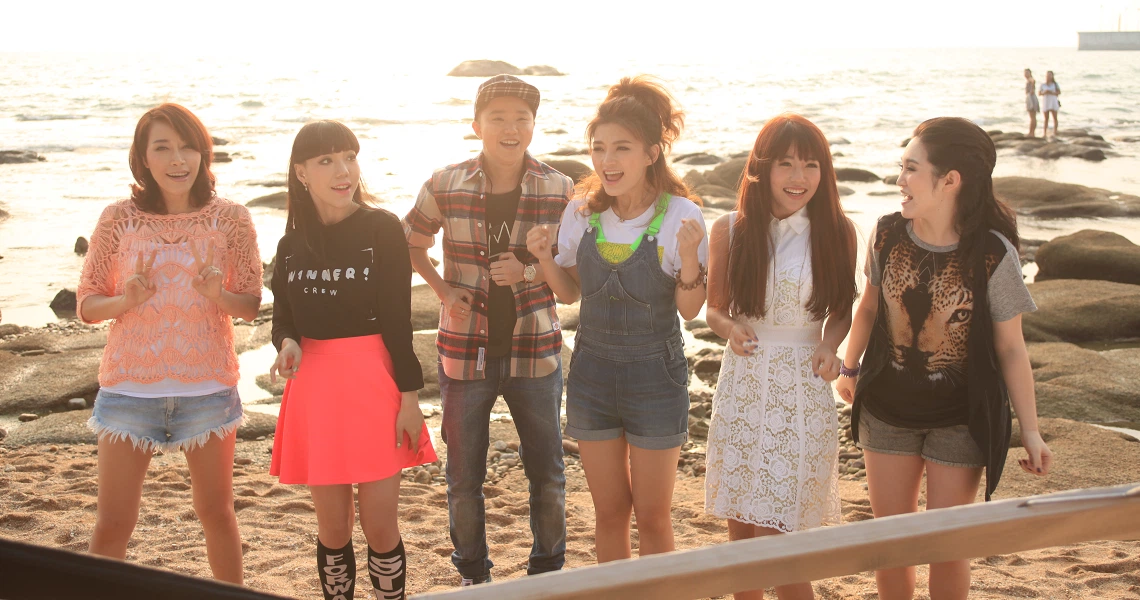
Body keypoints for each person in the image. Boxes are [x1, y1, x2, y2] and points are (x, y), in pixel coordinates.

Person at [835, 117, 1054, 600]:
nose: (900, 179)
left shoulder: (992, 253)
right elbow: (868, 306)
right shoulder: (888, 233)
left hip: (961, 418)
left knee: (946, 547)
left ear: (950, 180)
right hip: (886, 412)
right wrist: (849, 367)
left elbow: (1011, 348)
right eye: (901, 167)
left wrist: (1031, 431)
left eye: (912, 168)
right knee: (889, 544)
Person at [78, 103, 262, 584]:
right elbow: (87, 303)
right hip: (127, 392)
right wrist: (125, 300)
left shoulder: (232, 219)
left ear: (204, 154)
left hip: (207, 390)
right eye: (162, 147)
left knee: (218, 515)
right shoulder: (118, 218)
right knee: (113, 523)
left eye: (187, 147)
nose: (177, 159)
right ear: (142, 157)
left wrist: (217, 294)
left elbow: (250, 306)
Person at [529, 76, 708, 563]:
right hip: (591, 375)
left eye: (622, 149)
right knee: (609, 513)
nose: (607, 161)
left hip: (656, 376)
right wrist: (545, 258)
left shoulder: (681, 215)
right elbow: (570, 293)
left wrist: (690, 259)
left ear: (652, 152)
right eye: (599, 148)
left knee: (652, 516)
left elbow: (691, 310)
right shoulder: (581, 213)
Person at [403, 74, 572, 586]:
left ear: (534, 126)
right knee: (462, 477)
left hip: (536, 350)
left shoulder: (558, 188)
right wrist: (442, 289)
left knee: (547, 475)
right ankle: (473, 576)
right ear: (476, 125)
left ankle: (546, 571)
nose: (511, 128)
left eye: (522, 118)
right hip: (463, 350)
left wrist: (527, 272)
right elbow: (411, 241)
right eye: (498, 117)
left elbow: (571, 270)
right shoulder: (445, 183)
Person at [269, 120, 436, 600]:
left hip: (375, 385)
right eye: (326, 161)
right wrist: (287, 343)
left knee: (381, 527)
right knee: (333, 529)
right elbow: (283, 317)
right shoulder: (291, 244)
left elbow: (399, 324)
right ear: (301, 172)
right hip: (315, 390)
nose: (343, 171)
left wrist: (410, 399)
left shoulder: (381, 228)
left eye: (349, 157)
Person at [703, 114, 857, 600]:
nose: (799, 177)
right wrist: (731, 330)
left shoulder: (838, 231)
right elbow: (713, 309)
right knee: (741, 535)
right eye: (786, 164)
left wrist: (831, 347)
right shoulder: (730, 229)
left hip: (803, 391)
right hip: (744, 385)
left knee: (780, 539)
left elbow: (841, 311)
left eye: (811, 165)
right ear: (762, 168)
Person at [1038, 71, 1061, 137]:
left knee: (1055, 117)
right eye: (1047, 75)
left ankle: (1055, 131)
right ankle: (1044, 133)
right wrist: (1045, 92)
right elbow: (1039, 93)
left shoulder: (1055, 84)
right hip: (1046, 102)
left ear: (1052, 76)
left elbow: (1059, 92)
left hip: (1053, 101)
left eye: (1050, 75)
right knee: (1046, 118)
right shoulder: (1043, 84)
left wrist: (1051, 92)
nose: (1048, 77)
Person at [1024, 69, 1039, 137]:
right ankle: (1032, 132)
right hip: (1031, 97)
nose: (1026, 74)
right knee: (1033, 116)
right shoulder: (1028, 80)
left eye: (1027, 73)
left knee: (1032, 116)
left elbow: (1033, 80)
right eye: (1025, 73)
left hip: (1031, 98)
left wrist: (1032, 89)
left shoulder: (1030, 79)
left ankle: (1031, 132)